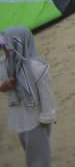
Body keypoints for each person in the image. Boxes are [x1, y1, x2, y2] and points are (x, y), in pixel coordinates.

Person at [1, 26, 56, 167]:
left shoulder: (36, 67)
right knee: (29, 149)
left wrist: (47, 117)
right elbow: (4, 85)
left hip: (36, 120)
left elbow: (46, 94)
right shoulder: (8, 66)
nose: (5, 51)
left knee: (39, 158)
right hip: (20, 118)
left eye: (7, 47)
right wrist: (4, 87)